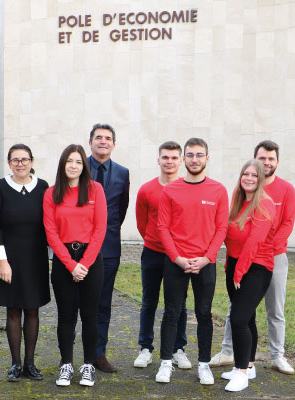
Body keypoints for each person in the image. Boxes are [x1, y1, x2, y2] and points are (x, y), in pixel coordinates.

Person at [210, 140, 295, 375]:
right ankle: (242, 361)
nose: (266, 163)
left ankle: (275, 356)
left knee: (270, 310)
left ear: (276, 162)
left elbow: (282, 225)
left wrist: (269, 248)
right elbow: (230, 233)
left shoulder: (276, 195)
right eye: (262, 159)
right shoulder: (239, 199)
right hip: (239, 262)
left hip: (266, 259)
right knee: (243, 315)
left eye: (271, 159)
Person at [156, 138, 228, 385]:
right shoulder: (171, 190)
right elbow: (162, 227)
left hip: (205, 263)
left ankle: (204, 364)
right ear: (183, 159)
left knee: (204, 313)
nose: (195, 159)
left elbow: (221, 228)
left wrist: (207, 258)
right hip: (176, 262)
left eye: (199, 155)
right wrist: (177, 258)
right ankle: (166, 362)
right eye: (190, 155)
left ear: (207, 158)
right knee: (172, 312)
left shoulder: (218, 190)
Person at [43, 144, 107, 387]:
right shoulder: (51, 194)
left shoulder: (95, 189)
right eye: (69, 161)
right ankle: (66, 365)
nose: (73, 165)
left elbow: (100, 229)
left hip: (91, 260)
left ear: (84, 165)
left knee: (90, 315)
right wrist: (71, 265)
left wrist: (85, 264)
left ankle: (88, 365)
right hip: (63, 261)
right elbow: (51, 233)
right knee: (66, 316)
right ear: (63, 164)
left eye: (78, 162)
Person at [0, 144, 50, 382]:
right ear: (9, 163)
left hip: (35, 259)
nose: (20, 164)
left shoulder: (43, 187)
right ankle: (15, 364)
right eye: (15, 160)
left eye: (25, 159)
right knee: (13, 310)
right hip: (9, 260)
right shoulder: (1, 187)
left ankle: (30, 364)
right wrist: (2, 262)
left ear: (32, 161)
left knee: (33, 310)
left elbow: (51, 223)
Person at [134, 141, 192, 369]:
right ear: (158, 160)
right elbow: (142, 222)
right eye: (165, 157)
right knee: (149, 301)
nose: (169, 162)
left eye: (174, 158)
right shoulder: (147, 190)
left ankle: (178, 348)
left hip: (179, 255)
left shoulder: (188, 188)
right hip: (153, 253)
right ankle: (145, 348)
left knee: (179, 304)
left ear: (181, 161)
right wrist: (154, 241)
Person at [221, 159, 277, 392]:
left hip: (256, 267)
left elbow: (254, 242)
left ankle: (241, 372)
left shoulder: (265, 204)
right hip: (234, 265)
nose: (250, 178)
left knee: (239, 319)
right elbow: (228, 236)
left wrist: (240, 272)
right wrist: (230, 267)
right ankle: (249, 365)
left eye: (255, 175)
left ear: (261, 179)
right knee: (248, 317)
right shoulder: (237, 200)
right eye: (246, 174)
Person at [87, 123, 130, 373]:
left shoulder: (123, 173)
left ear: (114, 144)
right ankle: (71, 355)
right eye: (98, 137)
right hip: (79, 248)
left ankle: (98, 354)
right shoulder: (78, 168)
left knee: (103, 303)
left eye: (108, 138)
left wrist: (108, 231)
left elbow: (121, 209)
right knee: (76, 304)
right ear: (90, 142)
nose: (103, 141)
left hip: (109, 248)